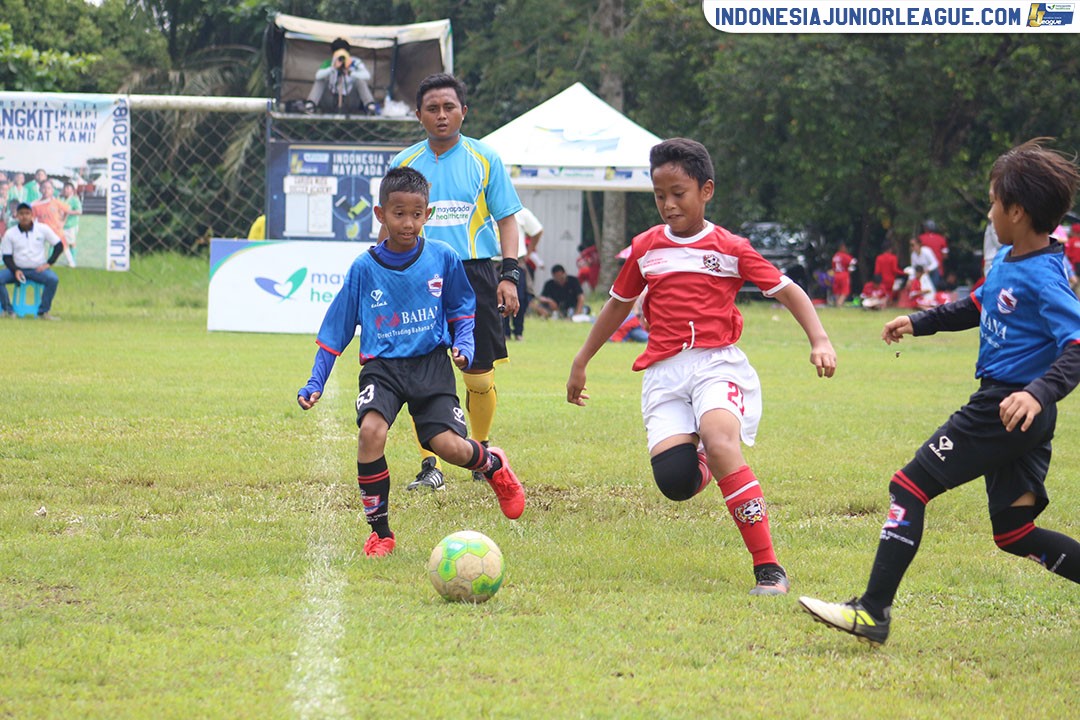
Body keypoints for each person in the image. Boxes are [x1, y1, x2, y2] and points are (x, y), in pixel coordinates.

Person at [799, 138, 1080, 647]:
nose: (990, 211)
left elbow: (1077, 345)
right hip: (1017, 412)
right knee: (1014, 533)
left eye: (994, 201)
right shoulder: (1013, 260)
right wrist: (919, 321)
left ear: (1016, 211)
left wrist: (1038, 392)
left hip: (1006, 406)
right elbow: (977, 306)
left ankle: (872, 612)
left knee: (909, 487)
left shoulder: (1045, 276)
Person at [566, 138, 837, 596]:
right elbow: (617, 306)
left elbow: (789, 290)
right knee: (675, 483)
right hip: (664, 374)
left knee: (719, 439)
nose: (668, 205)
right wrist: (581, 360)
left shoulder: (731, 247)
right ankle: (706, 464)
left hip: (717, 365)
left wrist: (820, 339)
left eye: (679, 193)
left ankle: (768, 568)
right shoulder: (645, 249)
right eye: (659, 195)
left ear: (705, 190)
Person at [295, 167, 525, 557]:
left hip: (430, 366)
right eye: (398, 213)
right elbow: (335, 330)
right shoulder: (364, 269)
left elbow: (462, 309)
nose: (408, 222)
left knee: (450, 448)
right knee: (371, 432)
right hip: (382, 367)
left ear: (428, 215)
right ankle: (380, 533)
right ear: (380, 214)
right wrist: (316, 381)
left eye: (416, 214)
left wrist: (464, 346)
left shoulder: (443, 257)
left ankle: (491, 465)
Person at [386, 73, 523, 492]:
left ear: (464, 111)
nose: (441, 115)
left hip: (474, 274)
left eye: (449, 107)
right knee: (417, 374)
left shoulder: (486, 159)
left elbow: (507, 218)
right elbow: (389, 224)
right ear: (418, 115)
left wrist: (510, 275)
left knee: (478, 377)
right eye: (432, 108)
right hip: (417, 274)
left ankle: (479, 453)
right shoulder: (404, 163)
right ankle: (431, 465)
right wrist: (385, 274)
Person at [0, 203, 63, 320]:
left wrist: (48, 263)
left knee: (53, 279)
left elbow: (59, 246)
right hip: (17, 269)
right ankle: (8, 310)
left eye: (27, 213)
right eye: (21, 214)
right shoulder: (10, 233)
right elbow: (6, 257)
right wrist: (15, 270)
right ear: (17, 216)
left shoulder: (42, 229)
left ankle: (43, 312)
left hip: (37, 269)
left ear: (32, 215)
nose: (24, 217)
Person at [306, 38, 377, 115]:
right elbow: (317, 76)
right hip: (331, 99)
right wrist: (333, 68)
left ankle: (370, 107)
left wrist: (350, 72)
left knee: (360, 80)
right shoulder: (329, 63)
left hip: (349, 99)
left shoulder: (355, 62)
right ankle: (310, 105)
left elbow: (367, 76)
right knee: (321, 79)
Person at [503, 206, 543, 341]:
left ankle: (518, 331)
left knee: (520, 297)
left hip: (516, 261)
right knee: (496, 300)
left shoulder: (520, 212)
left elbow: (537, 231)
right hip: (493, 261)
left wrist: (529, 252)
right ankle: (504, 332)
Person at [31, 178, 74, 267]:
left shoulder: (55, 202)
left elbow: (67, 210)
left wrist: (62, 222)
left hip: (56, 229)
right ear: (40, 189)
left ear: (52, 190)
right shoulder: (35, 204)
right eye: (44, 188)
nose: (46, 190)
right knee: (36, 245)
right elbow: (32, 218)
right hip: (42, 229)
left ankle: (71, 263)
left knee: (63, 245)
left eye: (49, 188)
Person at [918, 219, 949, 284]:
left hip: (924, 269)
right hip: (938, 269)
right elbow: (945, 256)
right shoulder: (941, 239)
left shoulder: (920, 238)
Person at [873, 240, 904, 305]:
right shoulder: (893, 258)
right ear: (890, 249)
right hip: (891, 280)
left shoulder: (879, 258)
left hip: (882, 280)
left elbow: (877, 271)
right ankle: (889, 305)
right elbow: (895, 270)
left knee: (883, 294)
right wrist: (903, 273)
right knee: (890, 294)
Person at [60, 182, 82, 262]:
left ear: (72, 190)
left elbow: (79, 211)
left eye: (67, 188)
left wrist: (68, 212)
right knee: (60, 242)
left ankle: (73, 260)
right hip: (61, 224)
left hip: (71, 225)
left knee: (71, 242)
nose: (65, 190)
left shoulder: (74, 199)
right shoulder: (61, 199)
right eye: (64, 188)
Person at [830, 242, 855, 307]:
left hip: (836, 275)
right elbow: (853, 262)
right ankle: (839, 304)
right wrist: (850, 269)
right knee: (844, 291)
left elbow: (833, 267)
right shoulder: (845, 256)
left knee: (837, 291)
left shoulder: (835, 256)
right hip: (844, 274)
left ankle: (837, 303)